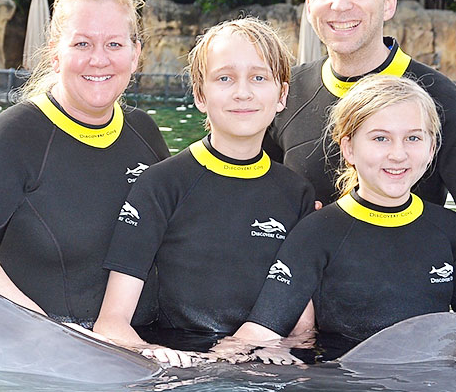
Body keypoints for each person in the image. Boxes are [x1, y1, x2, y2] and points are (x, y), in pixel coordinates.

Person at [265, 0, 456, 364]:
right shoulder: (285, 94)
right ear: (310, 5)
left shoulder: (439, 100)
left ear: (388, 3)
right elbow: (235, 192)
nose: (341, 5)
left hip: (410, 344)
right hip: (305, 337)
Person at [0, 0, 170, 327]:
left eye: (114, 44)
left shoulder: (145, 133)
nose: (99, 59)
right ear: (55, 54)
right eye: (82, 44)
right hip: (41, 357)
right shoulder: (14, 134)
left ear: (135, 54)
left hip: (139, 355)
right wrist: (45, 331)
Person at [94, 18, 315, 355]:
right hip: (179, 365)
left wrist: (280, 352)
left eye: (259, 77)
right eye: (225, 78)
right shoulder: (160, 184)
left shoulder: (295, 193)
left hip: (261, 367)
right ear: (200, 94)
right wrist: (153, 355)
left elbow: (302, 326)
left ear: (282, 94)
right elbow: (111, 323)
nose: (243, 92)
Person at [247, 75, 456, 351]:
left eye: (413, 138)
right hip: (343, 382)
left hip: (427, 382)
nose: (398, 154)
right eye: (381, 138)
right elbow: (263, 329)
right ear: (349, 148)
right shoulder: (316, 233)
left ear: (431, 149)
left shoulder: (450, 231)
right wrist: (203, 363)